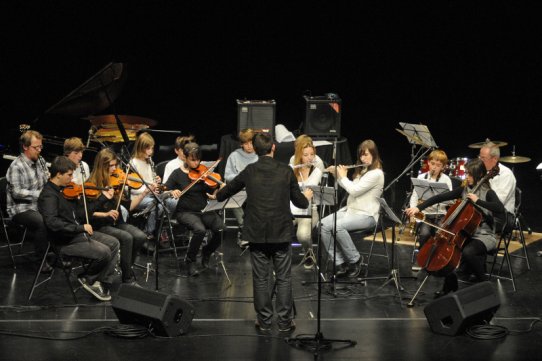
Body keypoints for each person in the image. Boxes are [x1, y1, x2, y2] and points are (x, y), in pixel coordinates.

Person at [216, 133, 312, 333]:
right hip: (281, 232)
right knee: (284, 278)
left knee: (260, 279)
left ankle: (265, 321)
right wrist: (308, 196)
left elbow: (224, 193)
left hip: (257, 232)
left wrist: (218, 192)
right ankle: (285, 322)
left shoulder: (249, 170)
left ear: (256, 150)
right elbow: (300, 202)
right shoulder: (285, 171)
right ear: (273, 148)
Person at [405, 158, 505, 297]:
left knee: (468, 252)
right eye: (467, 174)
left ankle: (485, 284)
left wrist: (478, 201)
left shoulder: (487, 192)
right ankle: (450, 286)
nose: (467, 177)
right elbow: (439, 198)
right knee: (451, 255)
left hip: (484, 235)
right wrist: (418, 207)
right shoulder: (464, 190)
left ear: (480, 175)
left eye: (470, 175)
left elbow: (500, 209)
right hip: (465, 234)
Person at [38, 156, 120, 301]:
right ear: (58, 174)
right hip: (64, 241)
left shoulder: (66, 191)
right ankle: (88, 279)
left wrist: (102, 199)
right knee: (104, 252)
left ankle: (98, 282)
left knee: (114, 243)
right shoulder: (49, 195)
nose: (72, 179)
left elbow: (82, 214)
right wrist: (79, 228)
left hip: (78, 234)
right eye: (69, 175)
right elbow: (52, 223)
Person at [320, 139, 384, 279]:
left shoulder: (376, 174)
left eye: (366, 155)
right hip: (351, 211)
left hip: (367, 216)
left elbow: (354, 191)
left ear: (374, 154)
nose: (363, 158)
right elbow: (349, 187)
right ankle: (339, 262)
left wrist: (342, 176)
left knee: (337, 226)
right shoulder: (363, 171)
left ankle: (355, 260)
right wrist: (336, 175)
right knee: (323, 225)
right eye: (361, 155)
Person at [86, 148, 148, 285]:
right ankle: (127, 278)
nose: (114, 169)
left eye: (115, 165)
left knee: (140, 236)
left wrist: (144, 193)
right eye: (111, 166)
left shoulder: (115, 183)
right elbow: (88, 211)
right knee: (126, 237)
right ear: (102, 166)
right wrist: (103, 198)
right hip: (101, 225)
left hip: (116, 223)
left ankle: (126, 266)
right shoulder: (91, 184)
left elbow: (129, 206)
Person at [164, 142, 224, 277]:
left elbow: (213, 189)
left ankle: (207, 251)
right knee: (200, 230)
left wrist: (217, 191)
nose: (196, 163)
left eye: (198, 159)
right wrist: (172, 191)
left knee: (221, 229)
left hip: (203, 210)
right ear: (185, 158)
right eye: (192, 160)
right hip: (185, 212)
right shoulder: (177, 173)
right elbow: (165, 189)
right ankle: (190, 261)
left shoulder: (203, 173)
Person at [6, 130, 49, 268]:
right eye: (36, 147)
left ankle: (57, 254)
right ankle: (40, 261)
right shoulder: (16, 166)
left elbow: (45, 181)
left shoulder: (40, 160)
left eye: (41, 147)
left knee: (60, 214)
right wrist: (39, 194)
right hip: (20, 209)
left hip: (38, 205)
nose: (39, 150)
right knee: (42, 222)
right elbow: (17, 193)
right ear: (25, 147)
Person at [409, 149, 453, 271]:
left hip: (440, 214)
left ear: (443, 167)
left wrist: (438, 198)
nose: (434, 167)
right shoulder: (421, 177)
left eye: (438, 165)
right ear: (428, 163)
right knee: (424, 234)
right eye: (432, 163)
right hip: (425, 214)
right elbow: (414, 196)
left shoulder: (446, 180)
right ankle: (422, 260)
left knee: (441, 237)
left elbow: (450, 201)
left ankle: (437, 260)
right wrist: (413, 210)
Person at [289, 137, 323, 269]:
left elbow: (310, 189)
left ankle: (309, 252)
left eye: (312, 154)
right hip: (292, 208)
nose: (310, 158)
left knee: (302, 236)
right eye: (305, 155)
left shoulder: (317, 168)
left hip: (309, 210)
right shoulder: (292, 163)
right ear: (298, 155)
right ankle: (281, 256)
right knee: (280, 226)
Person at [224, 128, 258, 248]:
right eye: (246, 143)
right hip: (239, 189)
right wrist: (242, 176)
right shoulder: (234, 156)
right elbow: (227, 176)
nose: (249, 146)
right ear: (241, 144)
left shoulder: (260, 155)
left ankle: (249, 232)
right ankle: (244, 229)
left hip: (255, 190)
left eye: (251, 143)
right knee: (234, 198)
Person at [129, 132, 164, 239]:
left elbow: (149, 180)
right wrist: (149, 190)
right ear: (140, 148)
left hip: (150, 194)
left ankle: (160, 229)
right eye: (148, 148)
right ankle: (147, 233)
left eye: (152, 148)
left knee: (171, 201)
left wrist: (157, 180)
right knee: (158, 206)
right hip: (138, 197)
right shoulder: (133, 163)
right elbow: (132, 189)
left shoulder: (149, 161)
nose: (151, 152)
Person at [479, 142, 516, 215]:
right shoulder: (482, 172)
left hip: (502, 218)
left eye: (483, 158)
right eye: (479, 157)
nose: (480, 161)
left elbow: (499, 202)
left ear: (495, 159)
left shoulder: (506, 174)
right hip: (484, 212)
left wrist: (477, 200)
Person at [162, 135, 196, 215]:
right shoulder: (171, 165)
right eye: (182, 150)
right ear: (176, 151)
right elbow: (165, 188)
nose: (186, 152)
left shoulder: (194, 163)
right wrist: (172, 191)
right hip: (177, 197)